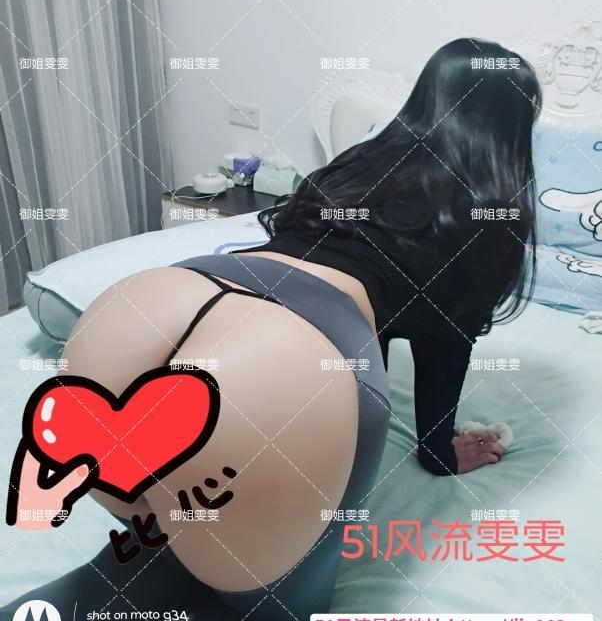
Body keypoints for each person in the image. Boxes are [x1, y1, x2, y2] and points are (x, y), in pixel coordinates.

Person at [2, 37, 541, 620]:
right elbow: (446, 345)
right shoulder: (490, 210)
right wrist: (439, 452)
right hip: (279, 368)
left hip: (147, 310)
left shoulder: (355, 163)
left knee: (162, 546)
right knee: (264, 602)